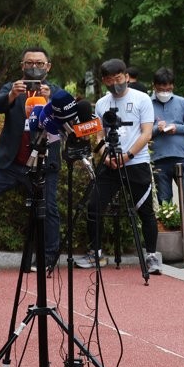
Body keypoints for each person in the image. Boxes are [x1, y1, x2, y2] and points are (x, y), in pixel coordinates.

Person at [76, 58, 161, 274]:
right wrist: (105, 155)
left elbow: (146, 132)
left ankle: (151, 256)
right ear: (104, 80)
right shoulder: (103, 103)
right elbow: (99, 134)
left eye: (119, 78)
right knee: (94, 205)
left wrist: (128, 155)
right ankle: (96, 253)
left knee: (145, 211)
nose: (116, 83)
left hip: (136, 162)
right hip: (110, 163)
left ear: (126, 76)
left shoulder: (142, 99)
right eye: (110, 80)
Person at [0, 45, 62, 272]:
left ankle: (48, 259)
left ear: (48, 67)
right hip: (10, 164)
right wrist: (11, 95)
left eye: (39, 64)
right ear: (22, 66)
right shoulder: (12, 87)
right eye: (29, 63)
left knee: (48, 209)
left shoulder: (56, 91)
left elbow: (69, 118)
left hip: (43, 165)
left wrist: (51, 101)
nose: (34, 68)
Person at [151, 67, 184, 218]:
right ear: (155, 86)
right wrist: (156, 129)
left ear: (172, 85)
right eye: (162, 88)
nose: (165, 91)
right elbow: (143, 132)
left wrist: (176, 128)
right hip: (159, 159)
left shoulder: (182, 102)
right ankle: (171, 233)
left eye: (168, 87)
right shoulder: (147, 103)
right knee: (165, 202)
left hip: (181, 157)